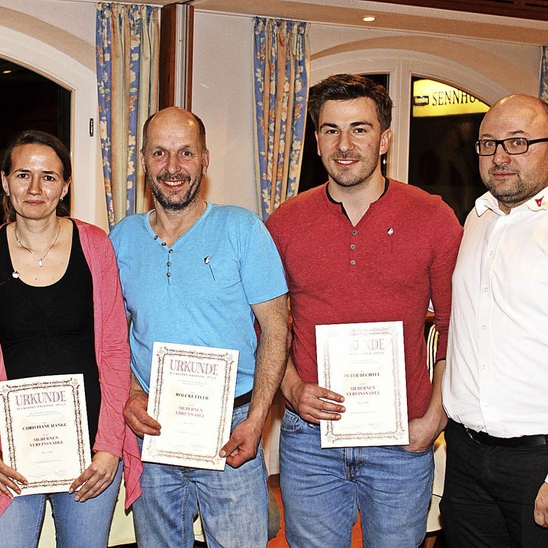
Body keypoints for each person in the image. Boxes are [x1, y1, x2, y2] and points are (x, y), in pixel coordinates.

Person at [265, 74, 463, 547]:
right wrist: (292, 388)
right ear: (316, 141)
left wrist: (435, 416)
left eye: (360, 128)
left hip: (402, 437)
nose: (345, 144)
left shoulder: (433, 217)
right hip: (311, 438)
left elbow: (459, 330)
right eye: (331, 130)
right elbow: (264, 326)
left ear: (385, 139)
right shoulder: (284, 222)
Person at [109, 106, 288, 547]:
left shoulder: (242, 228)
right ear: (144, 161)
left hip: (234, 426)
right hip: (154, 428)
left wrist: (259, 420)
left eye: (185, 153)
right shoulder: (122, 238)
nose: (173, 168)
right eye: (160, 154)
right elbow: (111, 334)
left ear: (205, 160)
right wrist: (132, 393)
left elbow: (277, 329)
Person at [0, 130, 142, 546]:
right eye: (23, 175)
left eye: (49, 176)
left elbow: (116, 350)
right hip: (5, 450)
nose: (35, 188)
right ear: (5, 182)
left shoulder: (95, 245)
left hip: (89, 449)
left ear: (65, 186)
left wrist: (110, 445)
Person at [441, 94, 548, 547]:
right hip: (466, 456)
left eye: (518, 142)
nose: (500, 156)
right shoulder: (478, 217)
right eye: (488, 143)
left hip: (537, 462)